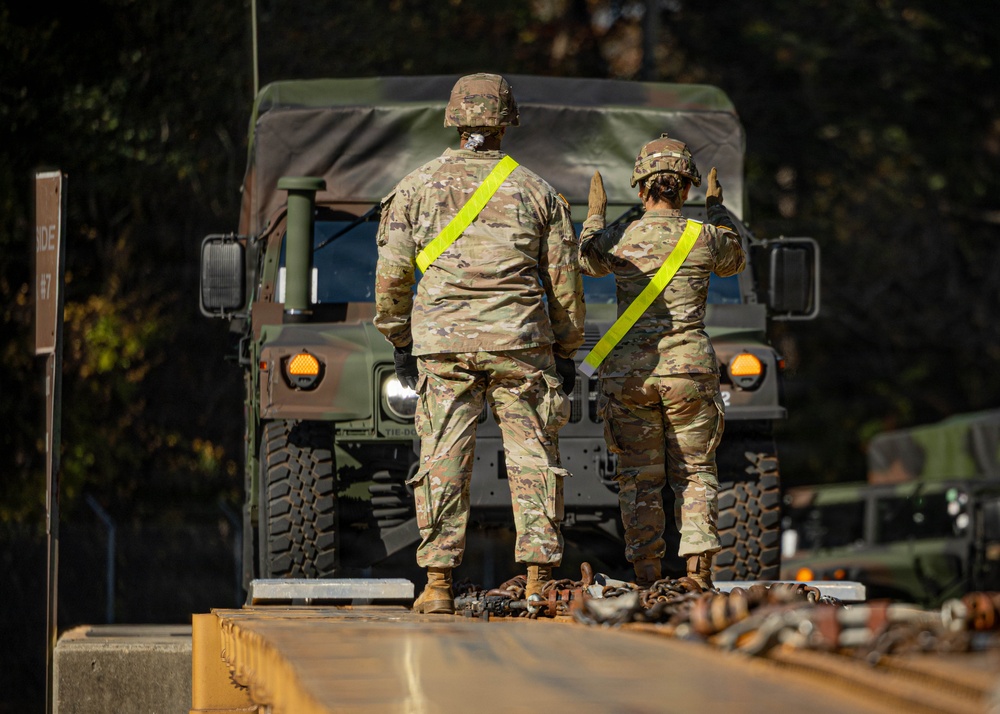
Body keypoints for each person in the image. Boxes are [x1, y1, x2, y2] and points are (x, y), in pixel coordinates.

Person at [373, 73, 586, 614]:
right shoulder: (539, 192)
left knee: (442, 458)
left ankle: (439, 585)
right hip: (520, 343)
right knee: (534, 460)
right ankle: (538, 581)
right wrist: (565, 351)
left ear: (455, 118)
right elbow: (563, 284)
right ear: (506, 121)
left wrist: (400, 338)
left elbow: (392, 277)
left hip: (443, 346)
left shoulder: (416, 188)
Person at [579, 134, 745, 589]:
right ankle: (697, 575)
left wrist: (595, 214)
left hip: (629, 376)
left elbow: (587, 260)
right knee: (695, 472)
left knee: (638, 477)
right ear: (687, 188)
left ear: (641, 188)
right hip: (689, 373)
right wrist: (716, 209)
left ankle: (647, 573)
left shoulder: (623, 236)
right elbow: (735, 259)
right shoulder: (704, 236)